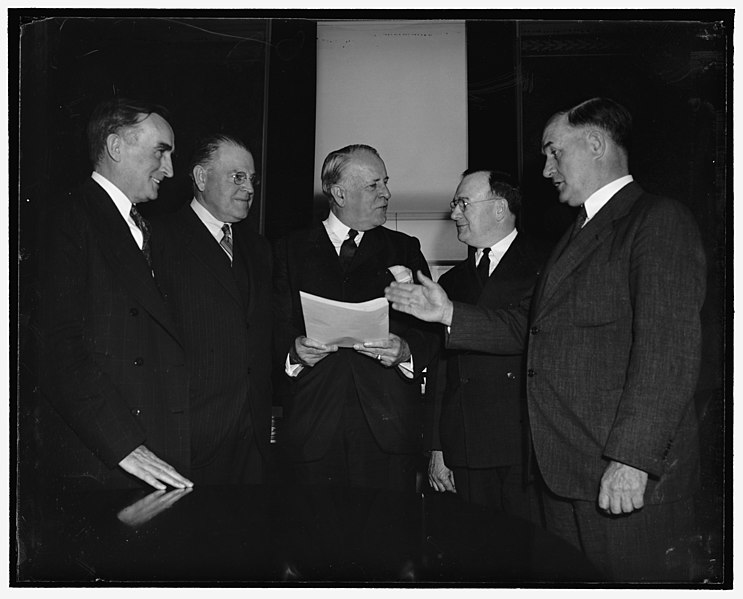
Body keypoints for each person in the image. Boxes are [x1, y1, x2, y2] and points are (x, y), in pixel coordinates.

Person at [385, 98, 706, 581]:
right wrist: (448, 312)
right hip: (567, 474)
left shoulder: (656, 221)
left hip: (622, 478)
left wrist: (632, 460)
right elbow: (526, 327)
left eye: (554, 152)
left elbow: (668, 355)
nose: (546, 168)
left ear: (595, 143)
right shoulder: (576, 233)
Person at [36, 97, 193, 490]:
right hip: (105, 458)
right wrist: (125, 446)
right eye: (161, 151)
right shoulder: (66, 218)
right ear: (115, 147)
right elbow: (56, 349)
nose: (170, 170)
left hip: (150, 446)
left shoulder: (142, 227)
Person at [273, 144, 438, 493]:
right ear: (339, 192)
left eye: (386, 182)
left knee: (388, 542)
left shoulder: (404, 248)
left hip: (387, 430)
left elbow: (433, 331)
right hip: (312, 429)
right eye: (374, 185)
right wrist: (293, 353)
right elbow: (271, 327)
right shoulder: (288, 249)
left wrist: (406, 352)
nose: (387, 193)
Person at [425, 169, 547, 523]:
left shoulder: (545, 265)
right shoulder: (450, 281)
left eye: (463, 203)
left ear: (499, 208)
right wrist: (437, 447)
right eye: (455, 203)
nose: (454, 213)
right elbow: (441, 371)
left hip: (523, 448)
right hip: (463, 445)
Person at [150, 133, 273, 485]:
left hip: (252, 438)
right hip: (190, 438)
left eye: (252, 179)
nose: (249, 188)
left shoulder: (258, 248)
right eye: (237, 177)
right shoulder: (158, 239)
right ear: (201, 178)